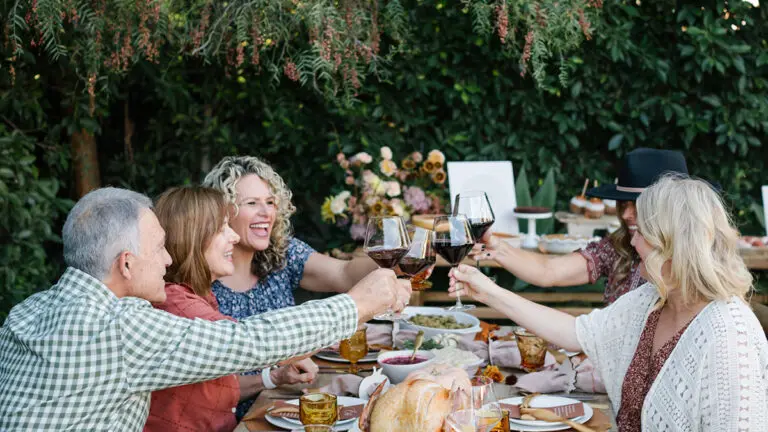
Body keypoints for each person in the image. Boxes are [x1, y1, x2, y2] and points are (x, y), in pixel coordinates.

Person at [0, 187, 410, 431]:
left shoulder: (25, 312)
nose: (167, 261)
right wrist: (358, 304)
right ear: (126, 264)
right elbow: (249, 341)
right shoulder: (116, 324)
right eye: (159, 249)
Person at [450, 175, 768, 431]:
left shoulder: (729, 334)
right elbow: (575, 332)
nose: (631, 241)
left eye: (641, 233)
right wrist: (487, 291)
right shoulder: (652, 302)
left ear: (672, 244)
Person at [202, 155, 382, 416]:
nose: (266, 213)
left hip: (287, 407)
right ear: (222, 212)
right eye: (252, 203)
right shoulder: (200, 278)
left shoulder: (281, 254)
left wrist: (395, 258)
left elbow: (344, 274)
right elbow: (202, 391)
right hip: (233, 421)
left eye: (271, 202)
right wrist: (272, 377)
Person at [144, 186, 320, 432]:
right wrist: (357, 307)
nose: (234, 237)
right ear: (193, 239)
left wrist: (274, 377)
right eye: (221, 229)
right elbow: (252, 343)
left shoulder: (195, 296)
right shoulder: (177, 305)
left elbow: (214, 392)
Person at [474, 147, 688, 304]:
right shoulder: (618, 247)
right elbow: (550, 271)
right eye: (623, 203)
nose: (627, 213)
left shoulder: (697, 262)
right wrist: (496, 246)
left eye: (639, 205)